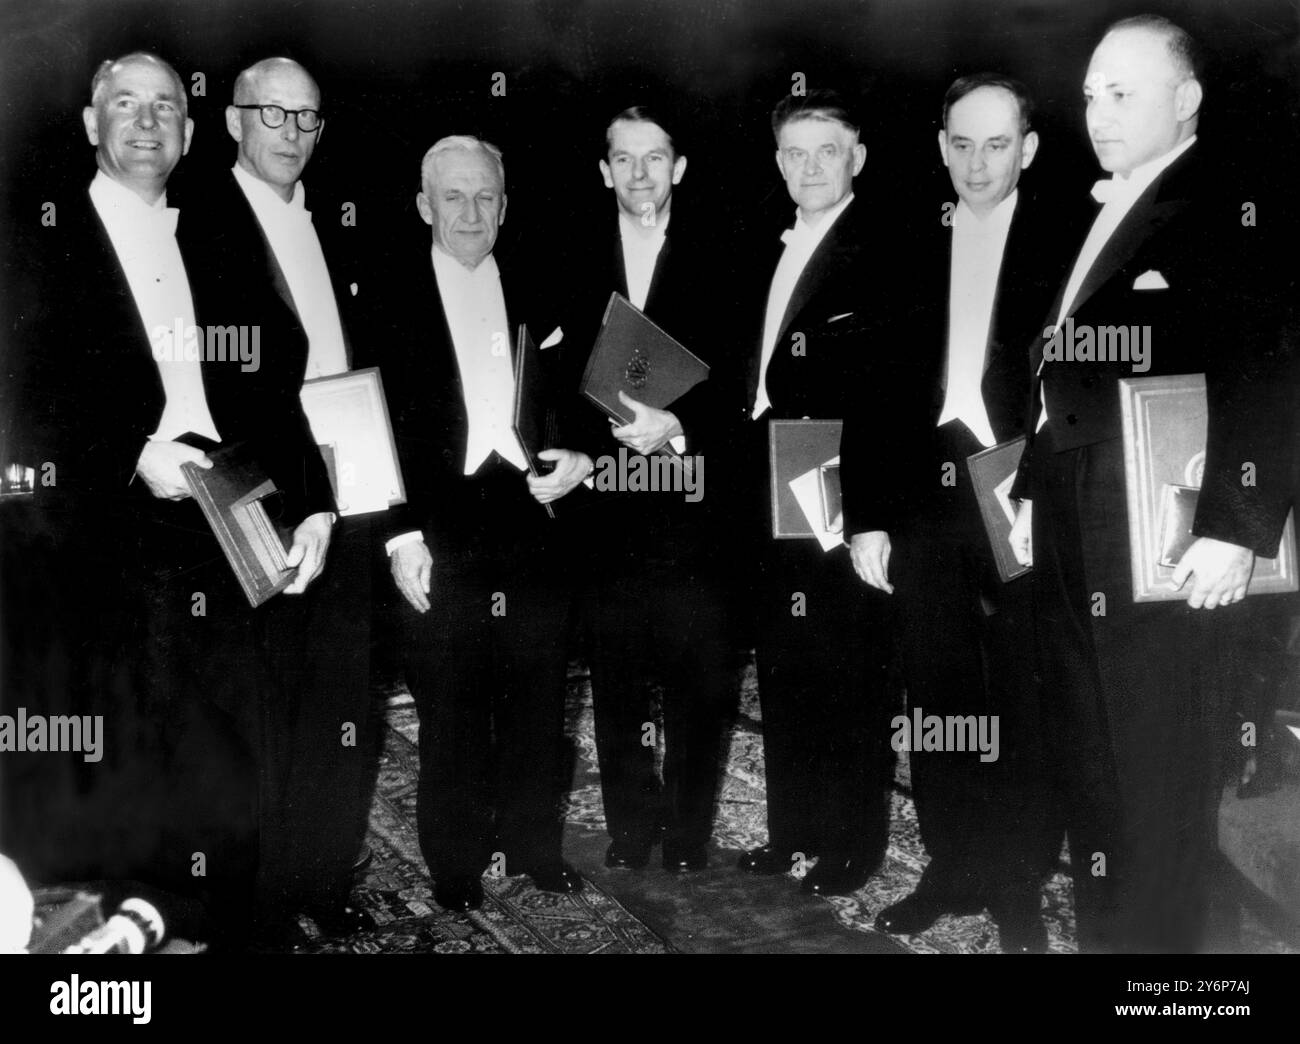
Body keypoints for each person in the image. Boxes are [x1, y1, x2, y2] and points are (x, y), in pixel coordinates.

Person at [2, 52, 335, 946]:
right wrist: (129, 453)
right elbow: (20, 399)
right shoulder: (36, 238)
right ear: (89, 124)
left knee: (226, 752)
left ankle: (220, 925)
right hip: (98, 537)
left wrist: (312, 503)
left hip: (220, 525)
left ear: (189, 134)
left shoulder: (217, 239)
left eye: (163, 108)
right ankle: (113, 946)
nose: (146, 121)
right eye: (125, 104)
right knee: (113, 751)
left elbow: (273, 383)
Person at [1008, 15, 1294, 952]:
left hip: (1162, 536)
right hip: (1070, 521)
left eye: (1123, 91)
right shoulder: (1098, 207)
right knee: (1093, 764)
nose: (1098, 110)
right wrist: (1024, 487)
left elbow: (1270, 364)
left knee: (1163, 772)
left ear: (1187, 98)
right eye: (1090, 92)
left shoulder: (1228, 199)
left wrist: (1237, 524)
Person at [843, 74, 1077, 951]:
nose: (979, 164)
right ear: (942, 146)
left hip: (1021, 493)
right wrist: (865, 515)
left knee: (1021, 693)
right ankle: (951, 866)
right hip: (923, 500)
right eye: (963, 144)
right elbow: (867, 391)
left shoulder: (1066, 243)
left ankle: (1017, 882)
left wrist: (1043, 490)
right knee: (938, 692)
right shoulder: (903, 241)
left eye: (998, 144)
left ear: (1029, 148)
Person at [177, 56, 377, 939]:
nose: (292, 135)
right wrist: (305, 506)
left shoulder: (337, 221)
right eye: (273, 115)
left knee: (337, 702)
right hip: (259, 504)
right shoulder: (198, 225)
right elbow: (232, 392)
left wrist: (354, 499)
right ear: (231, 120)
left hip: (350, 489)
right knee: (258, 715)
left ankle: (320, 880)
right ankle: (254, 909)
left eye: (308, 119)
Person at [379, 136, 590, 913]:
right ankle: (457, 861)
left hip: (532, 512)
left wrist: (584, 456)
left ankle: (535, 846)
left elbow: (589, 397)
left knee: (540, 695)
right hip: (439, 522)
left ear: (504, 206)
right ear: (424, 205)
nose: (470, 213)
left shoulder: (545, 284)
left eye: (485, 198)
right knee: (451, 700)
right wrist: (400, 534)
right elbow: (365, 428)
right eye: (453, 197)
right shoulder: (385, 297)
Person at [557, 105, 738, 873]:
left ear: (679, 167)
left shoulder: (724, 251)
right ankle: (632, 827)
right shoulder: (566, 256)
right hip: (607, 501)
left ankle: (690, 834)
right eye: (624, 160)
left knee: (701, 678)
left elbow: (739, 377)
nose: (640, 174)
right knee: (620, 676)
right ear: (604, 171)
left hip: (695, 497)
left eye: (654, 159)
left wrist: (677, 427)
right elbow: (553, 376)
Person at [735, 90, 902, 897]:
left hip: (834, 474)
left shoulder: (882, 250)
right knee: (785, 662)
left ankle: (851, 843)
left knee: (848, 669)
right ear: (778, 161)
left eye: (826, 152)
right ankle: (791, 828)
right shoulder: (765, 242)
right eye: (794, 153)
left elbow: (887, 398)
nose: (808, 168)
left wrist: (868, 512)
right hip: (765, 471)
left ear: (856, 158)